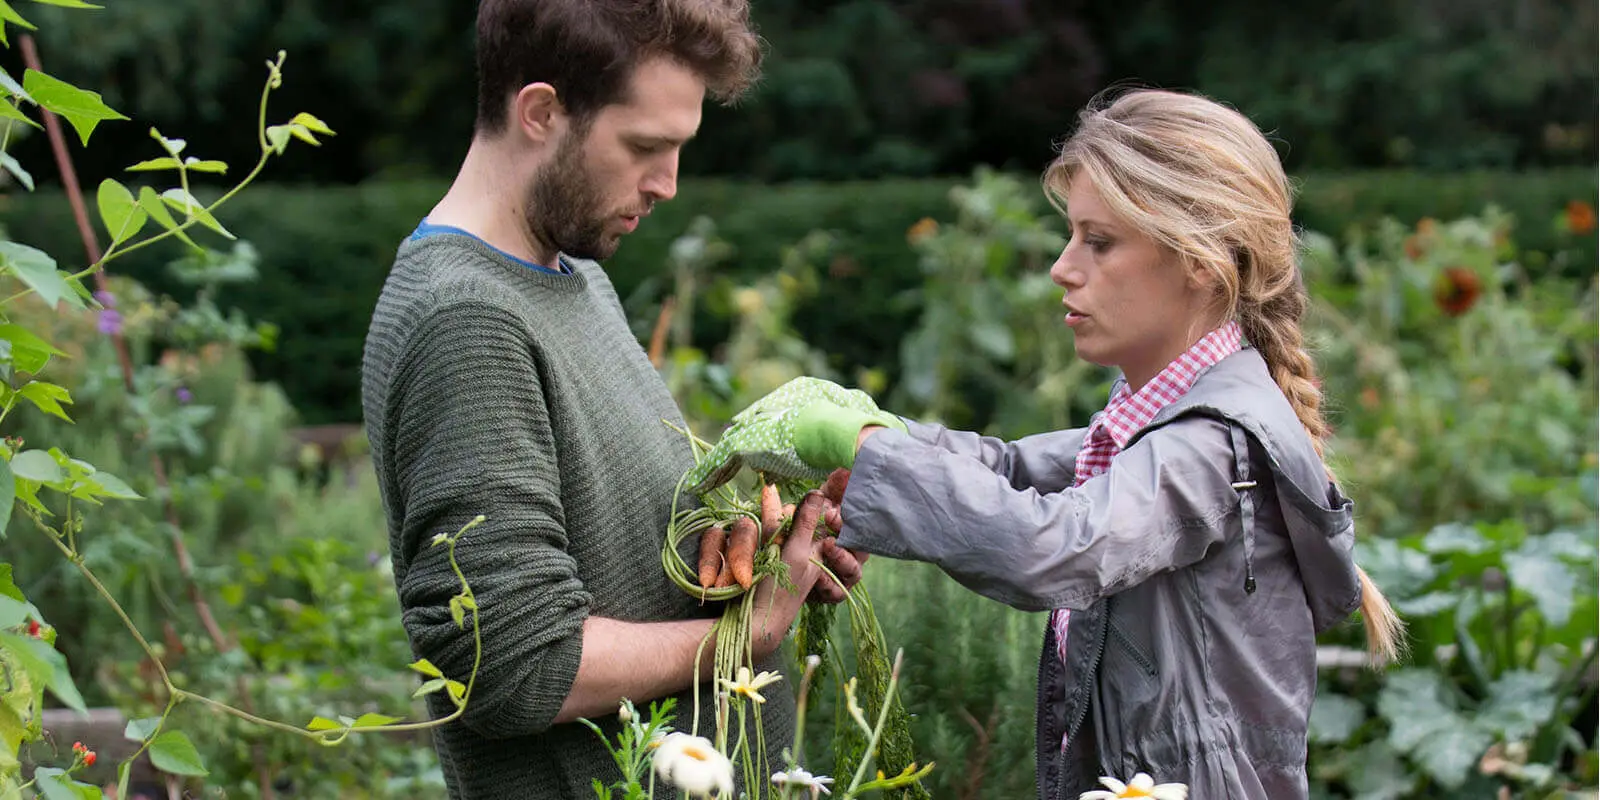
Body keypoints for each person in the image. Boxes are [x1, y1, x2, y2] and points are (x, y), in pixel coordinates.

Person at [686, 88, 1405, 799]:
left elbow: (1056, 544)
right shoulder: (1151, 419)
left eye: (1099, 241)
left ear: (1200, 259)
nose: (1063, 267)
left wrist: (865, 445)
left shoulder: (1211, 447)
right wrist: (875, 443)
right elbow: (1016, 472)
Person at [360, 2, 856, 797]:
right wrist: (753, 630)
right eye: (644, 148)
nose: (667, 184)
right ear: (542, 112)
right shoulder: (467, 320)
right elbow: (514, 667)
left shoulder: (571, 276)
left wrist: (739, 556)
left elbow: (607, 545)